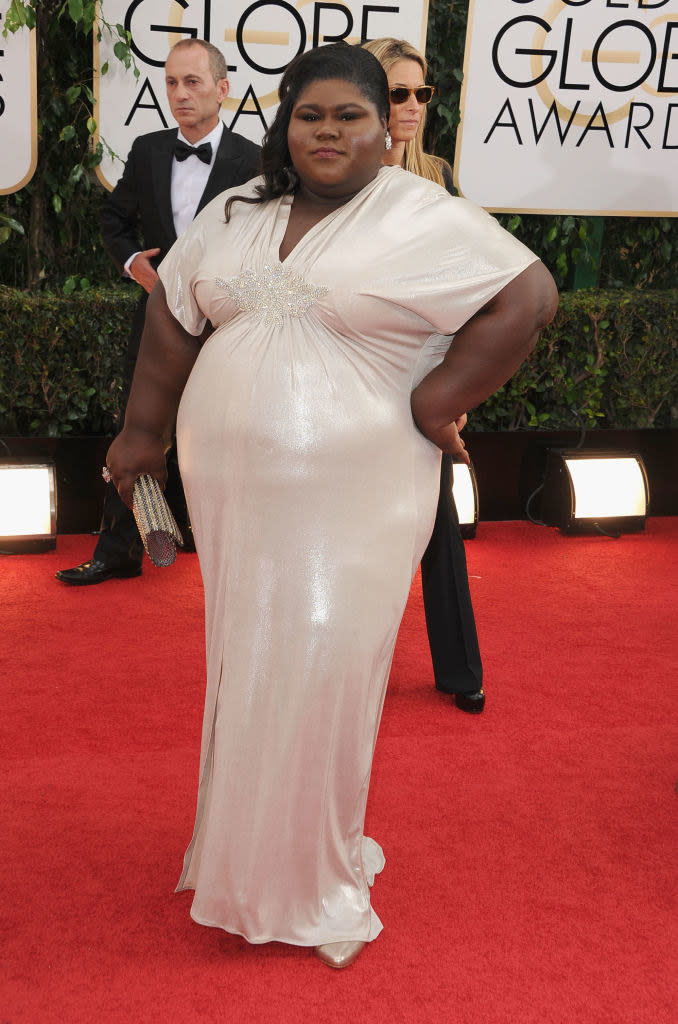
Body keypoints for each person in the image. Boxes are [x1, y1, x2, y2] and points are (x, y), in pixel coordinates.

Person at [105, 43, 558, 969]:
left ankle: (306, 874)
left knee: (324, 662)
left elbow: (528, 294)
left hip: (360, 490)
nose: (327, 131)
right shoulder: (238, 211)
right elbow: (172, 314)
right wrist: (142, 429)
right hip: (236, 494)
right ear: (284, 120)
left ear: (382, 126)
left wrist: (439, 400)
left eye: (350, 115)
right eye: (309, 115)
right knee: (252, 656)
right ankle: (243, 856)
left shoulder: (420, 213)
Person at [55, 38, 260, 585]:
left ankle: (237, 554)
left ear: (223, 89)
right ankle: (120, 549)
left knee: (231, 431)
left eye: (192, 82)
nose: (179, 93)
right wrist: (134, 266)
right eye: (171, 82)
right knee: (138, 430)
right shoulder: (147, 150)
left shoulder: (255, 161)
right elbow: (114, 221)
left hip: (227, 328)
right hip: (158, 322)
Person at [364, 36, 485, 713]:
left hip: (427, 377)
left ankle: (461, 670)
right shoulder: (344, 178)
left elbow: (469, 287)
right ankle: (350, 663)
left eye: (422, 93)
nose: (413, 106)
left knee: (438, 523)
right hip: (359, 373)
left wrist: (454, 389)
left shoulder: (438, 177)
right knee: (359, 528)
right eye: (398, 93)